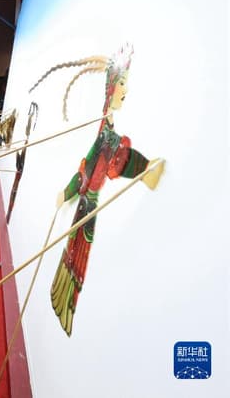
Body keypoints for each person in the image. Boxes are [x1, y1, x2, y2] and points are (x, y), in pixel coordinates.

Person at [29, 44, 164, 336]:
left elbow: (114, 162)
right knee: (74, 258)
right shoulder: (105, 133)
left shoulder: (109, 133)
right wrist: (68, 192)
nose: (126, 90)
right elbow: (89, 169)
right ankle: (62, 303)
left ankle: (64, 304)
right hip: (86, 208)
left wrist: (144, 169)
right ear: (111, 88)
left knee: (76, 258)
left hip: (88, 209)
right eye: (122, 83)